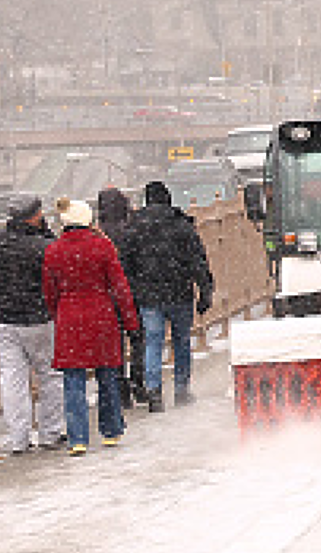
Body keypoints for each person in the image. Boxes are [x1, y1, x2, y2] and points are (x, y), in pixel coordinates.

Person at [43, 197, 139, 454]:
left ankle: (78, 438)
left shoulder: (53, 251)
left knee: (73, 379)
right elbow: (119, 285)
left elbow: (49, 292)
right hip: (101, 314)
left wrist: (58, 313)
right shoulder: (103, 247)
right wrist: (130, 319)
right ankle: (110, 430)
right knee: (107, 374)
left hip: (69, 317)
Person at [0, 196, 67, 454]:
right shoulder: (43, 246)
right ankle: (50, 432)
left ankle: (18, 438)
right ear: (36, 215)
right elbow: (56, 268)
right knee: (50, 376)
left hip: (4, 318)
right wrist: (46, 231)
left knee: (13, 379)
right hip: (39, 317)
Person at [121, 181, 215, 410]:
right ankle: (181, 390)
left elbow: (126, 265)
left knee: (153, 342)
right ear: (168, 199)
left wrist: (133, 293)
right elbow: (198, 260)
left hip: (149, 297)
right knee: (182, 342)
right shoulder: (182, 225)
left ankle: (154, 391)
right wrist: (205, 290)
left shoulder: (135, 228)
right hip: (180, 293)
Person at [96, 185, 143, 406]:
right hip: (133, 291)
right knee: (137, 339)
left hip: (106, 295)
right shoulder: (132, 229)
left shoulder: (98, 234)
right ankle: (139, 382)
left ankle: (121, 388)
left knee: (114, 344)